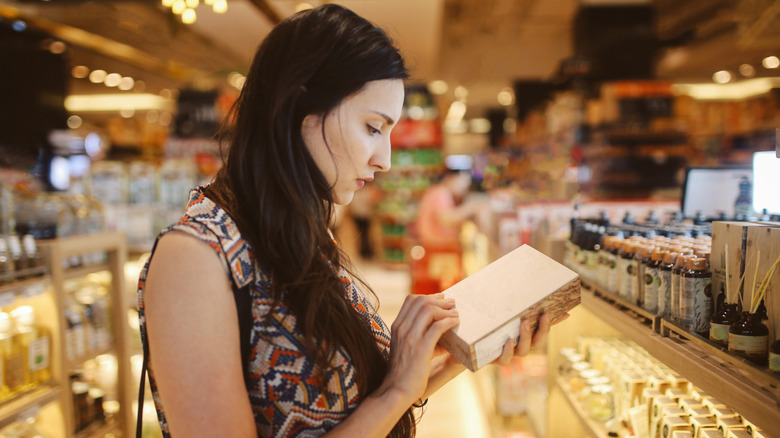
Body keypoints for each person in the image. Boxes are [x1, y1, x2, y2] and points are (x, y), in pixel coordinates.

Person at [137, 5, 555, 438]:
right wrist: (395, 389)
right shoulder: (195, 258)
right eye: (373, 127)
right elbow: (383, 399)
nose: (386, 159)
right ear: (301, 108)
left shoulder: (299, 233)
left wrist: (453, 355)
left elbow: (352, 408)